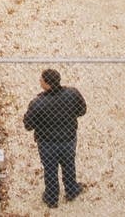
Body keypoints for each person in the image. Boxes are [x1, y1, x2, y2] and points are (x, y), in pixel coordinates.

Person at [22, 68, 87, 208]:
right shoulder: (72, 94)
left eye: (41, 79)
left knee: (50, 169)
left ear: (46, 84)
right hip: (68, 138)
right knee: (69, 164)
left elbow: (28, 125)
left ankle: (51, 198)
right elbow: (82, 110)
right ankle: (71, 190)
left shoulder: (37, 103)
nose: (39, 81)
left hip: (47, 142)